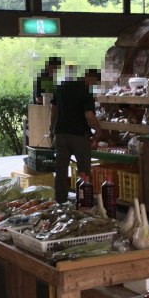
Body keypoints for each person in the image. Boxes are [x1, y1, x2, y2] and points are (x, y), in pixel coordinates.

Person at [49, 69, 103, 203]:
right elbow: (89, 116)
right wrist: (98, 130)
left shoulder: (61, 85)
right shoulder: (86, 90)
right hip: (79, 134)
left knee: (61, 169)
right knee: (84, 169)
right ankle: (85, 202)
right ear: (91, 78)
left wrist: (51, 128)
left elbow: (53, 109)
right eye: (95, 83)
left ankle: (60, 201)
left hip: (60, 133)